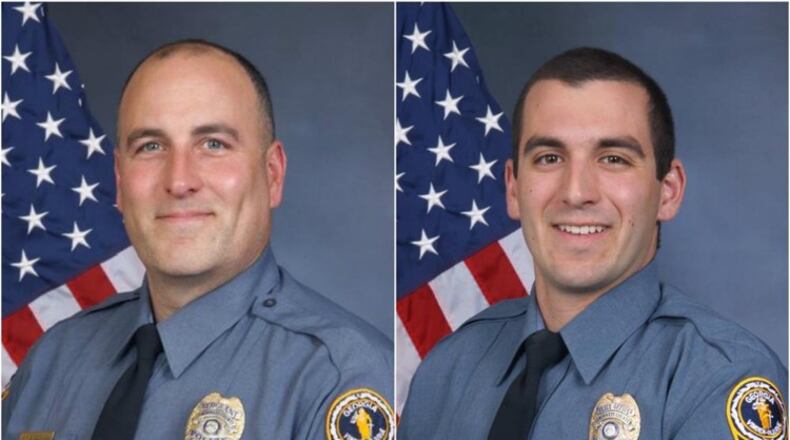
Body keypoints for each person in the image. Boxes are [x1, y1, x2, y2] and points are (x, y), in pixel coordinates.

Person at [3, 40, 394, 440]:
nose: (179, 181)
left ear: (272, 175)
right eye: (151, 146)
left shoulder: (337, 379)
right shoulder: (53, 360)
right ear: (119, 182)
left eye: (213, 144)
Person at [398, 47, 787, 439]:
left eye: (613, 159)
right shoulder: (447, 370)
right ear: (513, 189)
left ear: (668, 191)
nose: (576, 192)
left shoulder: (718, 380)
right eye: (549, 158)